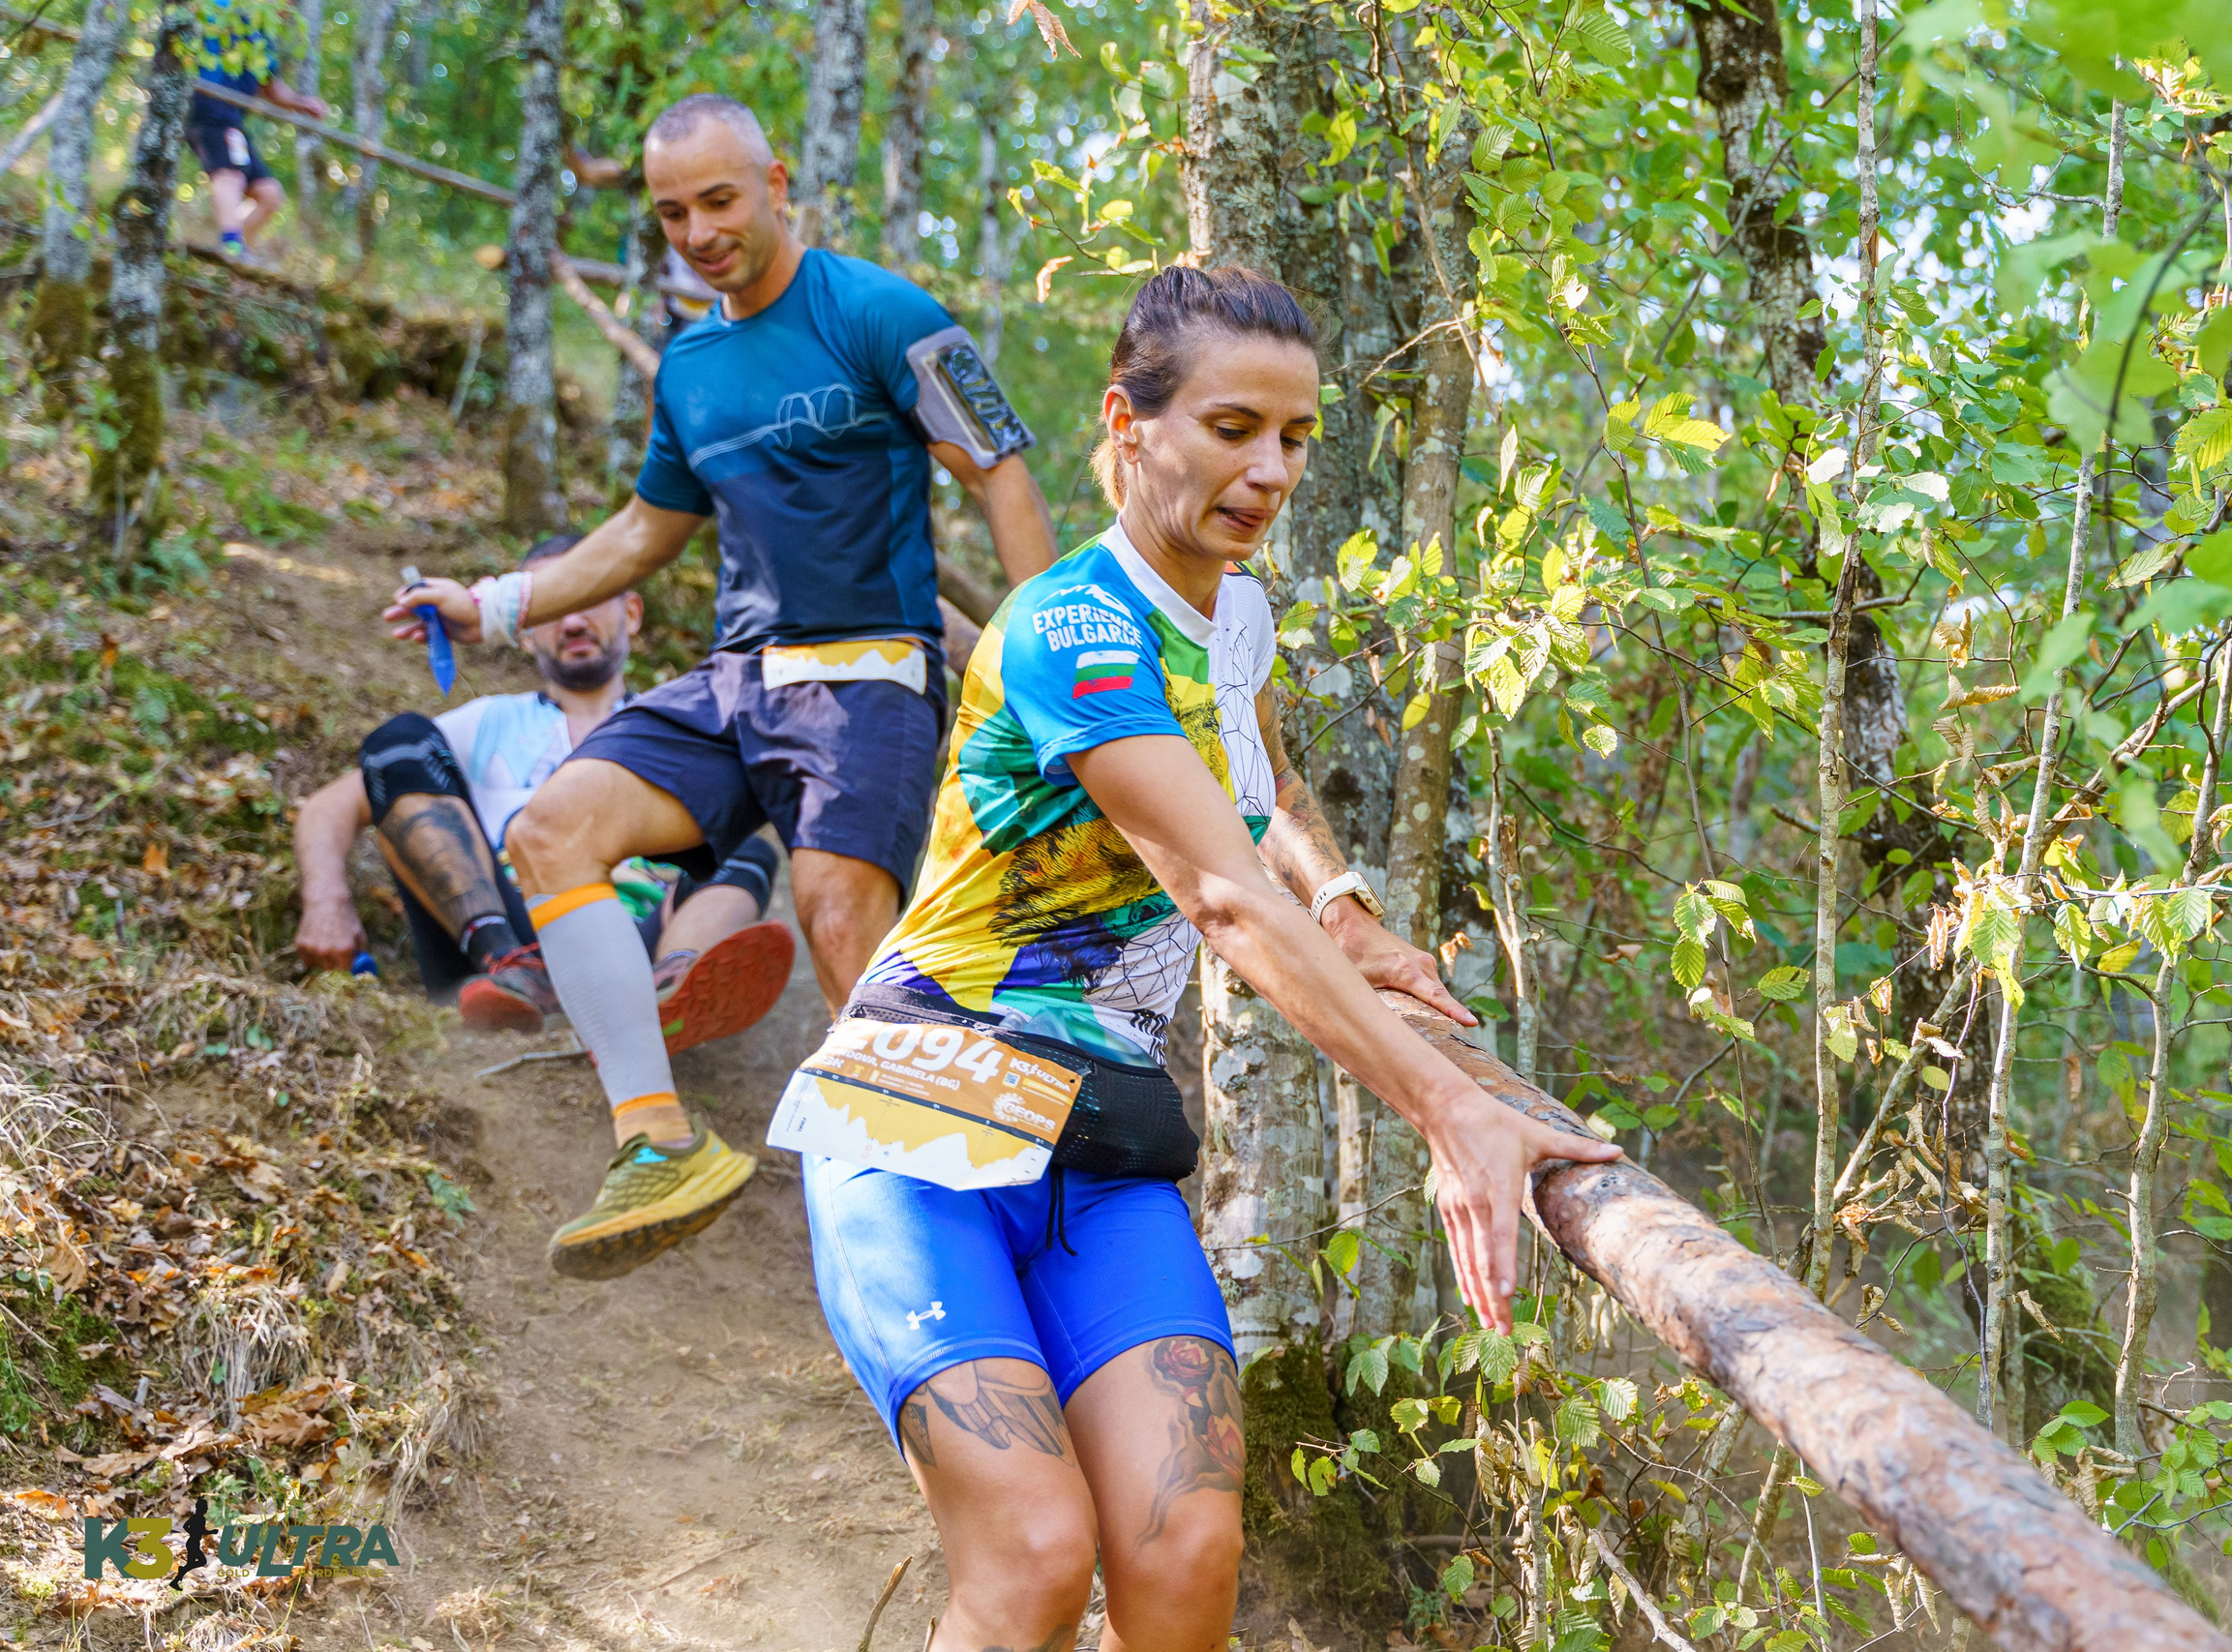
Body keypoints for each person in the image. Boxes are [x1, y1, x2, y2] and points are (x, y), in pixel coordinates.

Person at [773, 266, 1621, 1651]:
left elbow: (1262, 783)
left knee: (1185, 1556)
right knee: (1039, 1556)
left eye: (1295, 436)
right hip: (917, 1117)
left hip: (1095, 1137)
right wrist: (1448, 1105)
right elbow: (1218, 893)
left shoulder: (1232, 616)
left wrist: (1343, 903)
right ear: (1130, 422)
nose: (1272, 468)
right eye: (1234, 427)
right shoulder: (1072, 626)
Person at [385, 94, 1056, 1283]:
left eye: (717, 201)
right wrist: (492, 603)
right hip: (732, 683)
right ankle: (657, 1144)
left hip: (868, 680)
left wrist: (1049, 668)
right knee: (552, 831)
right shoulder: (691, 363)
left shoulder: (882, 314)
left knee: (840, 918)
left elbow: (998, 474)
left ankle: (969, 1243)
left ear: (776, 182)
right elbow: (646, 530)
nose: (696, 231)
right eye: (670, 213)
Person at [299, 537, 795, 1051]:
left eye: (590, 599)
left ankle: (672, 990)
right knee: (396, 746)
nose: (573, 622)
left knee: (744, 845)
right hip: (501, 941)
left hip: (637, 941)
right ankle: (517, 973)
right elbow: (330, 806)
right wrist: (325, 900)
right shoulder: (488, 722)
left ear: (631, 613)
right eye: (555, 607)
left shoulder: (678, 731)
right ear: (526, 634)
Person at [188, 0, 328, 263]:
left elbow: (272, 89)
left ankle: (236, 256)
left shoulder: (264, 41)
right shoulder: (226, 8)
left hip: (233, 117)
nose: (287, 11)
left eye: (293, 7)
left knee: (269, 193)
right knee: (230, 175)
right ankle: (231, 245)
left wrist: (303, 104)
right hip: (207, 105)